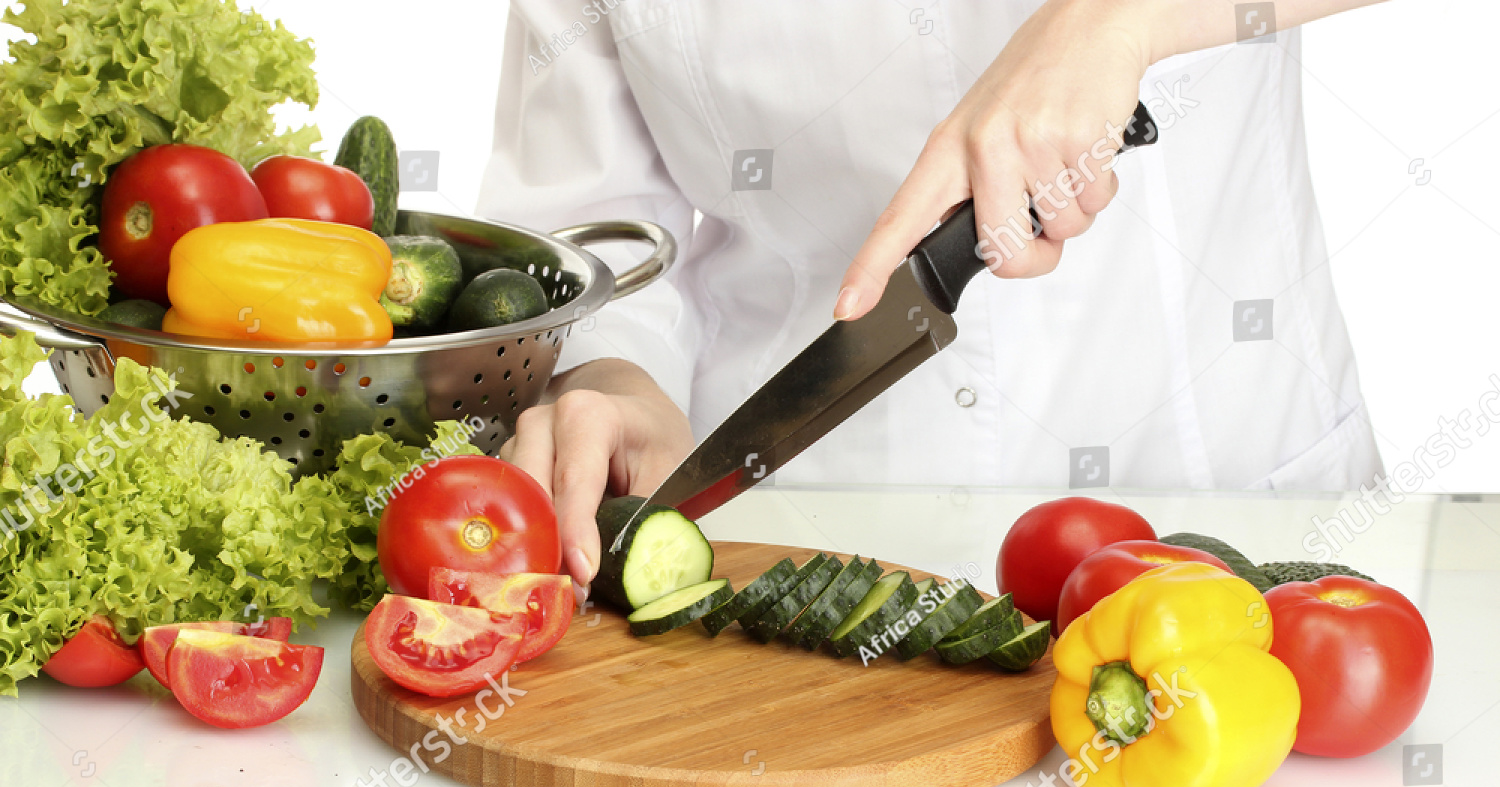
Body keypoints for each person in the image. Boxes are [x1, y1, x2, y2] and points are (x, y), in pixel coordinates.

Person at [478, 0, 1388, 597]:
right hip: (794, 540)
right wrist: (619, 373)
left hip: (1222, 512)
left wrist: (1113, 19)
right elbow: (597, 225)